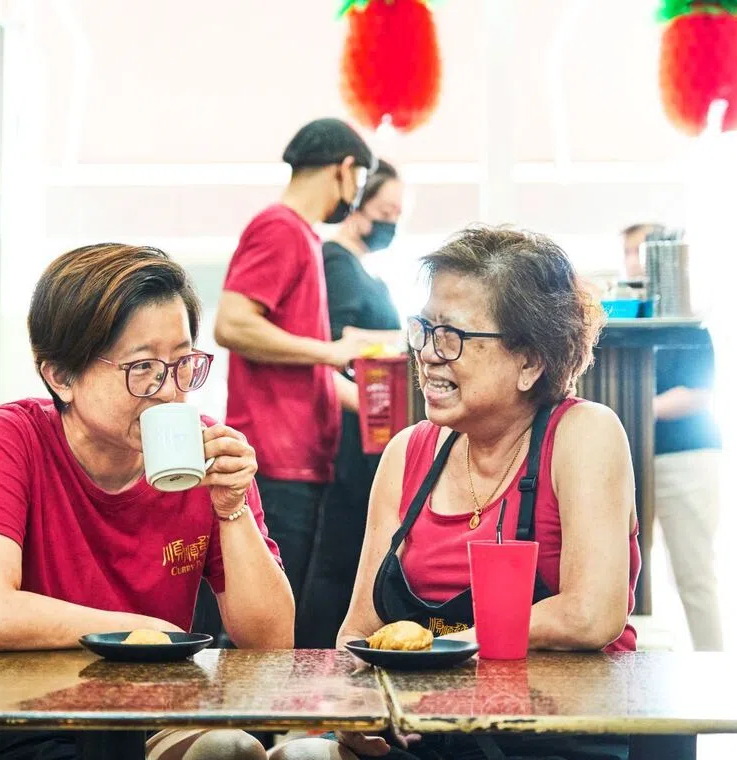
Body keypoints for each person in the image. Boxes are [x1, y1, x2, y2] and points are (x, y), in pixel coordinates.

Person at [275, 226, 641, 760]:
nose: (426, 353)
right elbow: (360, 628)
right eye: (423, 329)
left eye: (452, 336)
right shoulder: (408, 453)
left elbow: (592, 613)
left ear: (529, 362)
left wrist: (446, 649)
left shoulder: (583, 434)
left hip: (556, 737)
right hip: (424, 737)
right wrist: (353, 715)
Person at [0, 243, 294, 760]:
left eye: (182, 363)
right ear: (61, 376)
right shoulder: (9, 440)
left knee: (232, 750)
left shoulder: (207, 454)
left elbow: (271, 644)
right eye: (144, 367)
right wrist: (142, 630)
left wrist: (231, 508)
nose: (171, 391)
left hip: (150, 716)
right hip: (19, 718)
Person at [213, 118, 380, 646]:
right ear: (346, 170)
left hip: (298, 458)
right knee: (263, 627)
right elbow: (231, 323)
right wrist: (332, 351)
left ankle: (267, 726)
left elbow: (302, 360)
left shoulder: (302, 235)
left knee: (286, 613)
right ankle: (244, 726)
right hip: (274, 461)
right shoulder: (280, 228)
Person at [298, 160, 405, 648]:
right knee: (341, 562)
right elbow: (328, 355)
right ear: (358, 203)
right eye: (385, 209)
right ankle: (321, 679)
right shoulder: (337, 264)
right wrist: (370, 406)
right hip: (351, 436)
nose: (391, 222)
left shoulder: (364, 269)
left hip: (372, 434)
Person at [622, 223, 724, 651]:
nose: (636, 259)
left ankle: (716, 669)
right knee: (627, 578)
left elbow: (698, 393)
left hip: (686, 457)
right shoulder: (621, 324)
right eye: (629, 251)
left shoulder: (689, 324)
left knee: (694, 573)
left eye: (644, 250)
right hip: (631, 462)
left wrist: (634, 409)